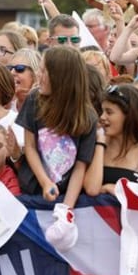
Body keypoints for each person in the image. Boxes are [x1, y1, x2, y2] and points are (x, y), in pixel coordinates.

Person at [16, 46, 96, 206]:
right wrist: (45, 182)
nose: (38, 75)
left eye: (44, 71)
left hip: (67, 195)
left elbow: (80, 166)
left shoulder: (88, 117)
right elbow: (30, 147)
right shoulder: (34, 100)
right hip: (31, 191)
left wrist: (67, 207)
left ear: (61, 77)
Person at [84, 84, 138, 195]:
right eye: (102, 111)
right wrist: (100, 144)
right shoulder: (96, 144)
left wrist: (115, 189)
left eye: (109, 112)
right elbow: (91, 189)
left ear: (129, 115)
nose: (102, 117)